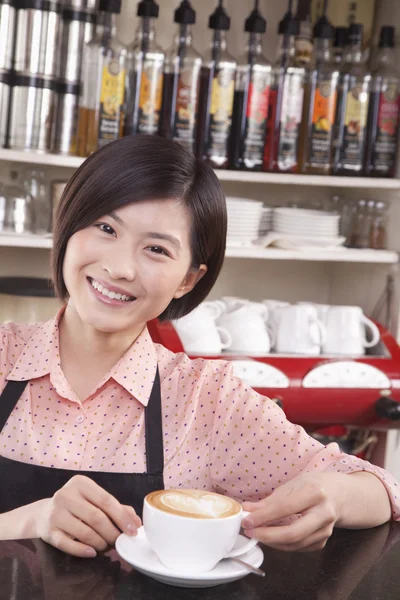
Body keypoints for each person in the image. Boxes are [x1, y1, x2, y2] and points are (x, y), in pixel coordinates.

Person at [0, 135, 398, 559]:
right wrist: (30, 521)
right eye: (106, 228)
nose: (119, 267)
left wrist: (332, 495)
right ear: (68, 225)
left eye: (156, 249)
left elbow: (381, 490)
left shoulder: (207, 402)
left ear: (188, 279)